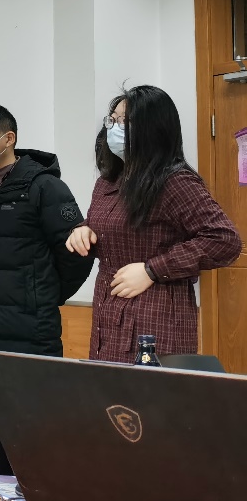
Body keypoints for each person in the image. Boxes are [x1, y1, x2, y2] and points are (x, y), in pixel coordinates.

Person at [0, 104, 93, 476]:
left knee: (33, 426)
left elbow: (77, 253)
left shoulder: (45, 188)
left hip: (29, 333)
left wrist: (41, 296)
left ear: (7, 138)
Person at [66, 86, 240, 363]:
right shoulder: (108, 181)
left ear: (153, 128)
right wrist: (84, 230)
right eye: (112, 120)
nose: (114, 128)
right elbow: (118, 226)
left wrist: (153, 269)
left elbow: (224, 240)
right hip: (108, 314)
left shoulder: (175, 182)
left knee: (149, 390)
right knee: (107, 388)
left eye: (125, 121)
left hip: (156, 316)